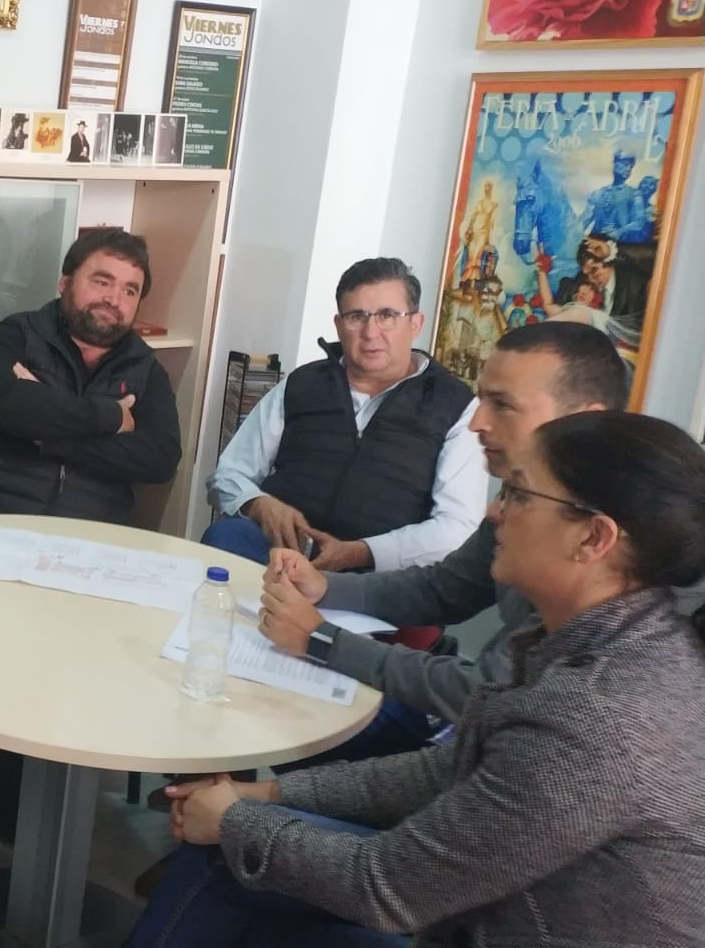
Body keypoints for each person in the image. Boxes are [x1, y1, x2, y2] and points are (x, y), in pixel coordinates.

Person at [0, 409, 705, 948]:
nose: (494, 513)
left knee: (220, 880)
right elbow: (442, 774)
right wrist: (270, 794)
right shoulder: (584, 645)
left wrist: (236, 818)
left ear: (594, 538)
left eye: (516, 493)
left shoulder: (597, 718)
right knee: (218, 887)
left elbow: (388, 886)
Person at [257, 323, 633, 764]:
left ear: (584, 419)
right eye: (481, 399)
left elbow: (484, 691)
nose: (476, 423)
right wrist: (325, 587)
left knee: (294, 716)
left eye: (502, 405)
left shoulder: (608, 544)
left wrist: (321, 640)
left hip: (497, 751)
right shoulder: (525, 492)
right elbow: (445, 587)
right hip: (478, 730)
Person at [0, 227, 182, 841]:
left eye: (129, 290)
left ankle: (70, 791)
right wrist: (109, 418)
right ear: (65, 282)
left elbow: (159, 458)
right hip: (0, 530)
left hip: (97, 546)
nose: (114, 298)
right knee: (6, 672)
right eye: (101, 280)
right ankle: (12, 796)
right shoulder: (15, 335)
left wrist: (45, 430)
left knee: (103, 667)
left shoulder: (144, 367)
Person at [204, 257, 486, 571]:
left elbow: (458, 527)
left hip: (379, 573)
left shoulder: (455, 406)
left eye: (387, 316)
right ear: (339, 325)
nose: (371, 332)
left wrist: (361, 552)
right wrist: (258, 504)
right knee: (225, 537)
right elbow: (228, 474)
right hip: (280, 552)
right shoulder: (303, 384)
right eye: (356, 317)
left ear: (415, 324)